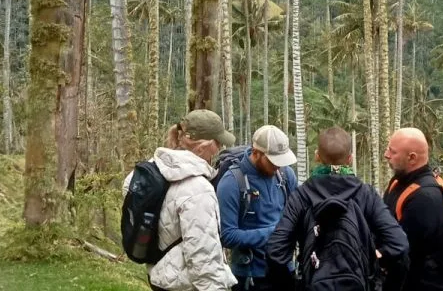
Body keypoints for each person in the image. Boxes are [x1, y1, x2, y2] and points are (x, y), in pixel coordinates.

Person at [266, 126, 409, 291]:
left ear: (317, 157)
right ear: (350, 158)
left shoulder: (302, 195)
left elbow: (275, 252)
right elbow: (399, 245)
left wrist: (293, 285)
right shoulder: (365, 194)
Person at [122, 110, 238, 291]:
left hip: (159, 275)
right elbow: (204, 258)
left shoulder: (151, 170)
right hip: (185, 284)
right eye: (218, 142)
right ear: (203, 146)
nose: (220, 148)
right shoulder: (198, 189)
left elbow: (128, 190)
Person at [217, 125, 299, 291]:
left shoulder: (285, 175)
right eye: (273, 161)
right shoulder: (232, 182)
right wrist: (273, 233)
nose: (278, 166)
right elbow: (227, 235)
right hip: (250, 275)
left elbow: (297, 215)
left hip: (284, 268)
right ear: (256, 153)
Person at [383, 127, 443, 291]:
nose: (386, 155)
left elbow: (403, 249)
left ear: (411, 158)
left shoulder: (426, 198)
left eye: (393, 152)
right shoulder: (398, 182)